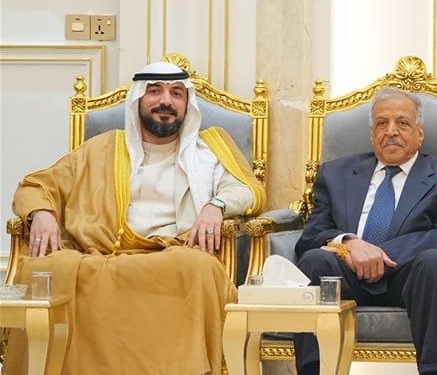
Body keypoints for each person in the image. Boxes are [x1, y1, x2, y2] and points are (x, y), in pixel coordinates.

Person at [9, 60, 264, 374]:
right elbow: (35, 186)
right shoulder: (101, 149)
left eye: (176, 93)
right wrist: (42, 212)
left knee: (197, 267)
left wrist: (217, 204)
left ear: (187, 104)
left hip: (172, 254)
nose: (166, 101)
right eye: (155, 91)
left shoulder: (208, 150)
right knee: (48, 269)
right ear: (138, 100)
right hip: (100, 252)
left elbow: (249, 190)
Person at [293, 86, 437, 375]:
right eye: (381, 123)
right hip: (345, 273)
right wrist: (350, 244)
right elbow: (311, 235)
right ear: (372, 134)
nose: (391, 131)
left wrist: (374, 254)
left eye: (402, 123)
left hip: (408, 277)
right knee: (315, 260)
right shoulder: (335, 174)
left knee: (435, 261)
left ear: (419, 133)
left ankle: (435, 371)